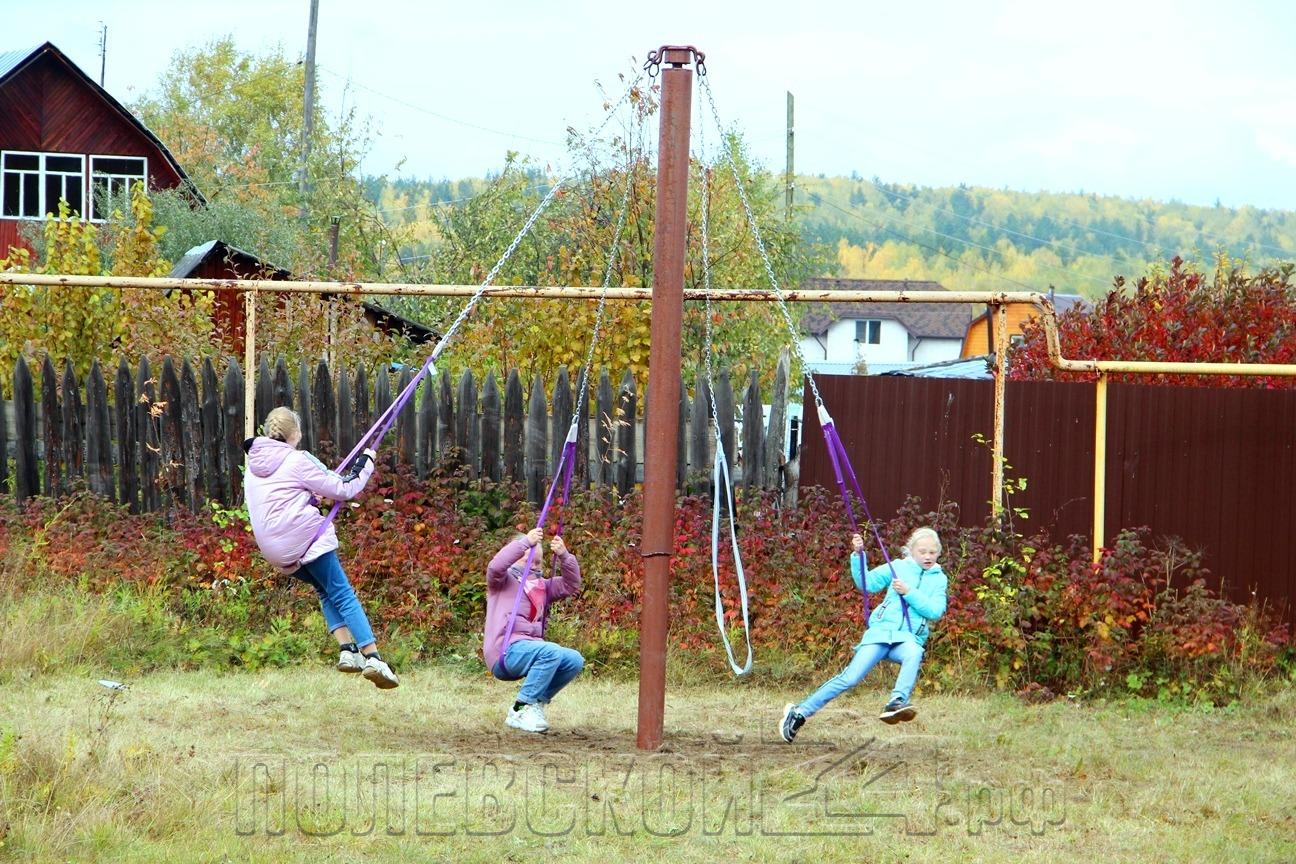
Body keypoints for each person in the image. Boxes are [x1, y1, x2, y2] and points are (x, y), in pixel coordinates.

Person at [243, 406, 399, 689]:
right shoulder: (297, 459)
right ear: (297, 434)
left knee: (324, 588)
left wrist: (307, 497)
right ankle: (373, 657)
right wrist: (366, 462)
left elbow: (278, 497)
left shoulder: (253, 467)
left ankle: (347, 651)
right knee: (342, 592)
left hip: (274, 551)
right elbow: (345, 489)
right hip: (303, 540)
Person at [780, 527, 947, 742]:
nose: (927, 556)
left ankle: (897, 701)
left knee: (914, 652)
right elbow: (866, 584)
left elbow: (934, 611)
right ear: (911, 551)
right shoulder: (897, 567)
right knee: (850, 678)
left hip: (907, 638)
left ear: (938, 554)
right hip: (881, 633)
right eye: (922, 551)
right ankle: (799, 713)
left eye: (932, 552)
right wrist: (858, 556)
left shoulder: (939, 579)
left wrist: (909, 592)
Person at [483, 528, 584, 733]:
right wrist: (524, 543)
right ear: (515, 558)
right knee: (551, 651)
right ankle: (520, 708)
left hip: (529, 649)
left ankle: (535, 704)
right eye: (527, 559)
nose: (533, 565)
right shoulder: (502, 582)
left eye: (538, 562)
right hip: (504, 651)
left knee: (574, 660)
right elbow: (495, 566)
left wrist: (564, 556)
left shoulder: (542, 586)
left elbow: (571, 584)